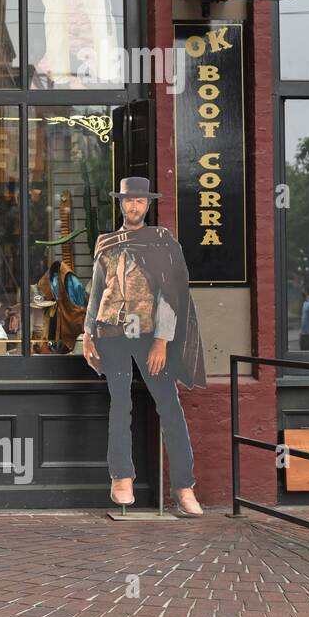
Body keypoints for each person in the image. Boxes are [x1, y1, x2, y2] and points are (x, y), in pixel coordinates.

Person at [81, 177, 207, 517]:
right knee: (120, 404)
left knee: (169, 406)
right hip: (111, 332)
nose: (133, 206)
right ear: (120, 203)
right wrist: (87, 334)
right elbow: (96, 293)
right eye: (128, 200)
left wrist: (163, 341)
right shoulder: (106, 243)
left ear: (147, 205)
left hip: (150, 335)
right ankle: (121, 477)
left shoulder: (161, 242)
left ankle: (184, 487)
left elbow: (171, 295)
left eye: (139, 201)